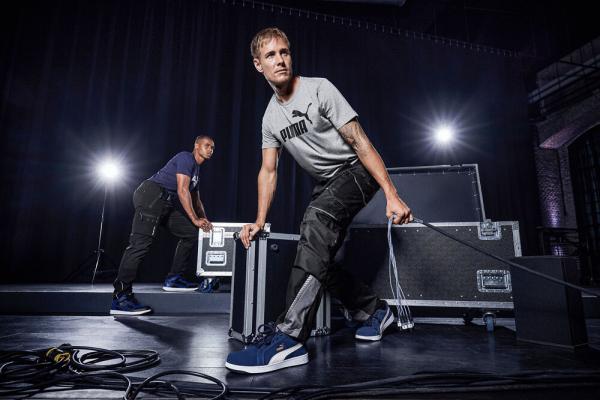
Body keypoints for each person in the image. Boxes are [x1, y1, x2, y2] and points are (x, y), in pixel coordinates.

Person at [225, 28, 412, 374]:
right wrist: (259, 219)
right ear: (257, 65)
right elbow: (268, 171)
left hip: (356, 170)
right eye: (270, 55)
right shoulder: (270, 118)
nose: (280, 60)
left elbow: (360, 141)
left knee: (315, 225)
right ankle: (375, 310)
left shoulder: (319, 89)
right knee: (316, 255)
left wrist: (391, 193)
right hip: (328, 183)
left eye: (284, 52)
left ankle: (290, 339)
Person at [110, 136, 215, 315]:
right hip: (151, 196)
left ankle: (173, 279)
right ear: (196, 146)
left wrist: (204, 219)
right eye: (207, 146)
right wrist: (196, 219)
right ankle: (120, 297)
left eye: (213, 147)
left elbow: (196, 200)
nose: (211, 149)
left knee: (190, 233)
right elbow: (182, 191)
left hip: (164, 203)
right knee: (139, 246)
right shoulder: (185, 158)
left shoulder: (196, 170)